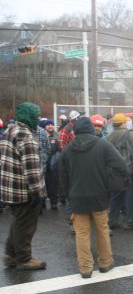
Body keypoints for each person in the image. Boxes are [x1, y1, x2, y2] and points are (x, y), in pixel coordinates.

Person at [58, 117, 128, 278]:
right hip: (99, 195)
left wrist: (66, 194)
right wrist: (123, 178)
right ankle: (105, 262)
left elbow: (61, 175)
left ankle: (85, 268)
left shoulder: (68, 149)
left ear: (75, 130)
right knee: (102, 230)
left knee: (81, 233)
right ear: (91, 129)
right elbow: (121, 164)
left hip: (77, 197)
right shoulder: (102, 145)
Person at [0, 102, 47, 270]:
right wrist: (38, 193)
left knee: (18, 222)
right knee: (26, 226)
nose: (38, 118)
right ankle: (24, 258)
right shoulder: (26, 136)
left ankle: (10, 254)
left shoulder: (10, 130)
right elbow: (32, 169)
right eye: (36, 115)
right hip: (23, 190)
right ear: (30, 116)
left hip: (9, 189)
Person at [108, 114, 133, 230]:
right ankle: (131, 222)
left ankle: (112, 221)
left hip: (114, 173)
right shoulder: (131, 135)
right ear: (123, 123)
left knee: (116, 197)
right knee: (132, 198)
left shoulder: (109, 137)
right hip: (130, 171)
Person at [42, 120, 59, 210]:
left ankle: (54, 202)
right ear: (45, 126)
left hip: (53, 164)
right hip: (43, 163)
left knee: (53, 183)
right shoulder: (42, 135)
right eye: (48, 125)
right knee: (43, 183)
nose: (50, 126)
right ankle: (42, 203)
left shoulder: (57, 135)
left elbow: (60, 148)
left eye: (52, 124)